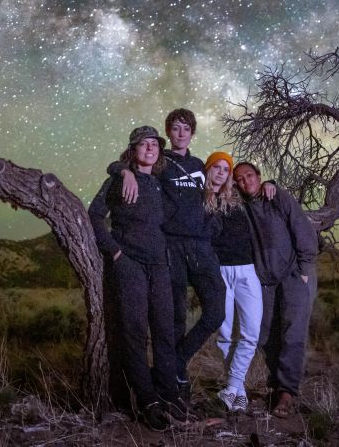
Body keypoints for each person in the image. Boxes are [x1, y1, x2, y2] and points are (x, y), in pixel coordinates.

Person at [108, 109, 225, 401]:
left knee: (215, 312)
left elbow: (221, 185)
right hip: (171, 246)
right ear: (168, 133)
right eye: (175, 128)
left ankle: (176, 363)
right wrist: (123, 172)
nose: (181, 133)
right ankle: (171, 384)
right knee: (174, 319)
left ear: (192, 132)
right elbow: (123, 164)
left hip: (201, 246)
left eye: (186, 128)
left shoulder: (199, 165)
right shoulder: (161, 162)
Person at [88, 126, 182, 431]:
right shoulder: (118, 179)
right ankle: (148, 402)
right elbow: (94, 214)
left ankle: (170, 397)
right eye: (144, 144)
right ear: (133, 149)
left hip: (160, 266)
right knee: (135, 333)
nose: (151, 148)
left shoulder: (158, 183)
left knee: (165, 332)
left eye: (155, 144)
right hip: (130, 264)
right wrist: (114, 252)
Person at [232, 161, 319, 418]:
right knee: (264, 334)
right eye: (240, 179)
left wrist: (304, 268)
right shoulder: (241, 208)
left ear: (259, 177)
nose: (246, 181)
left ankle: (287, 392)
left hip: (295, 274)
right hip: (265, 280)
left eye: (249, 175)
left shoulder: (278, 197)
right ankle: (278, 382)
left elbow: (302, 230)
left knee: (293, 332)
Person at [203, 151, 263, 414]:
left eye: (225, 169)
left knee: (251, 332)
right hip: (219, 271)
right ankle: (236, 391)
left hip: (247, 270)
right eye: (215, 167)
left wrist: (270, 185)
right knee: (225, 333)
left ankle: (232, 386)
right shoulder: (199, 199)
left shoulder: (237, 198)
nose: (220, 173)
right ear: (207, 171)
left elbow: (258, 186)